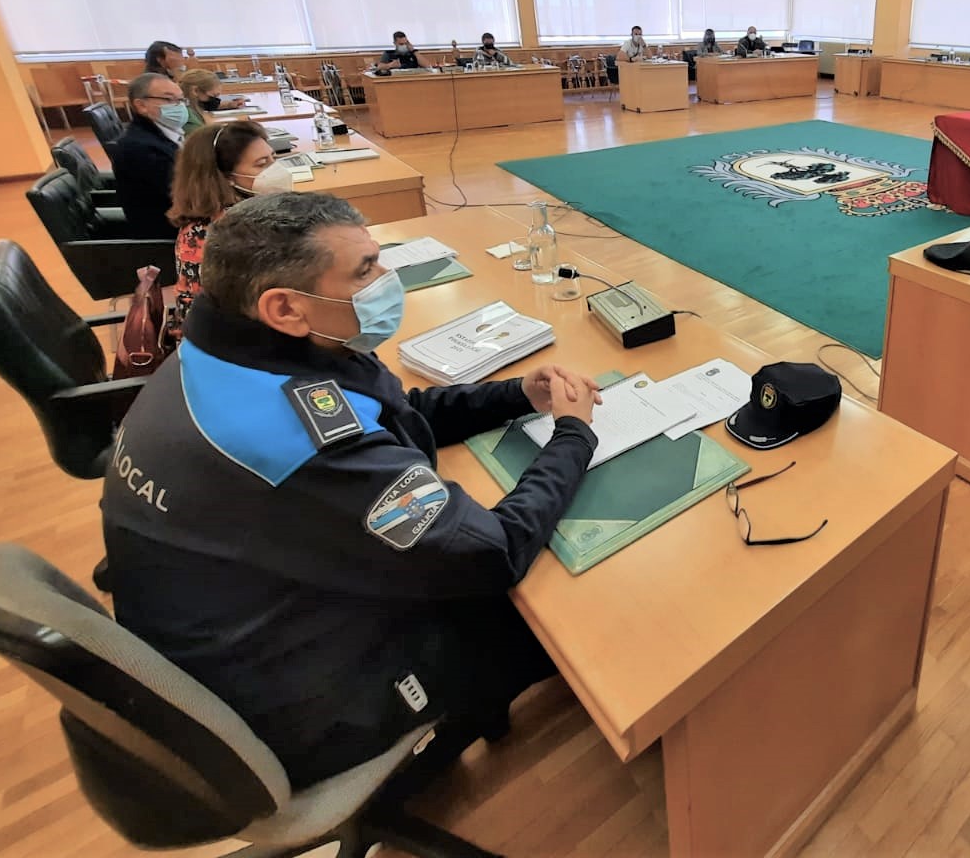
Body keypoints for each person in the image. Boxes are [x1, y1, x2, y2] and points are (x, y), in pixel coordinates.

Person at [101, 192, 603, 791]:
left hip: (237, 619)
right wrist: (573, 434)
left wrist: (515, 394)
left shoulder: (232, 349)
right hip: (294, 704)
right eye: (365, 271)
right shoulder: (289, 436)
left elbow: (389, 413)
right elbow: (492, 550)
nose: (386, 280)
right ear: (285, 307)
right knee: (564, 616)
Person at [166, 121, 286, 340]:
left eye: (273, 158)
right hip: (225, 340)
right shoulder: (230, 229)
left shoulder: (229, 212)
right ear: (227, 177)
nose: (274, 169)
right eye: (261, 164)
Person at [112, 73, 187, 238]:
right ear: (141, 106)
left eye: (181, 100)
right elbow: (185, 196)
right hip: (170, 233)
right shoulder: (140, 148)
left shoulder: (162, 135)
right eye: (169, 100)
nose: (179, 106)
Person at [177, 69, 246, 133]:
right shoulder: (187, 117)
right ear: (195, 91)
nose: (214, 100)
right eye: (213, 96)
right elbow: (201, 136)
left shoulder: (187, 104)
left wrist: (229, 105)